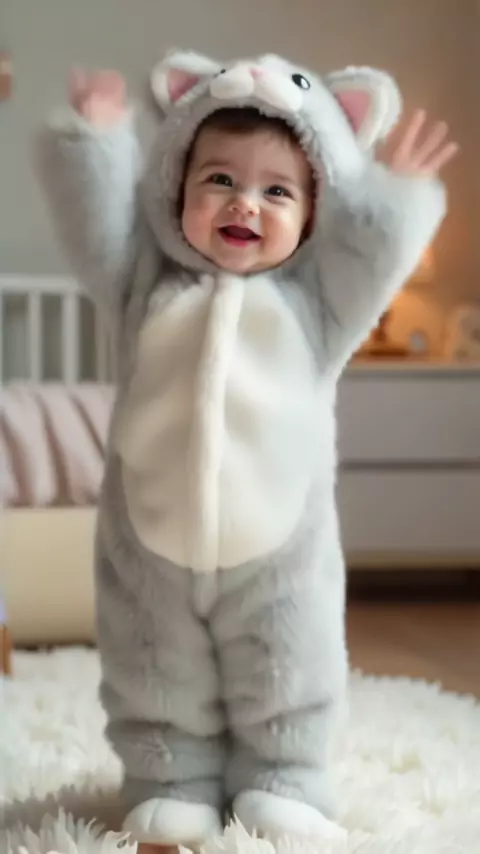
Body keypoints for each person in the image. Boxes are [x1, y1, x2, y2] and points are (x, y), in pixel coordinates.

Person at [35, 50, 458, 853]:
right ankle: (169, 781)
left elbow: (369, 256)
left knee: (289, 665)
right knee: (153, 668)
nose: (245, 204)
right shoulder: (143, 288)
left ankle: (285, 777)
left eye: (277, 191)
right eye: (219, 180)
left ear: (316, 207)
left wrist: (394, 195)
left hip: (279, 553)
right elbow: (96, 232)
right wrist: (94, 144)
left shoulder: (318, 306)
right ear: (176, 189)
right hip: (148, 546)